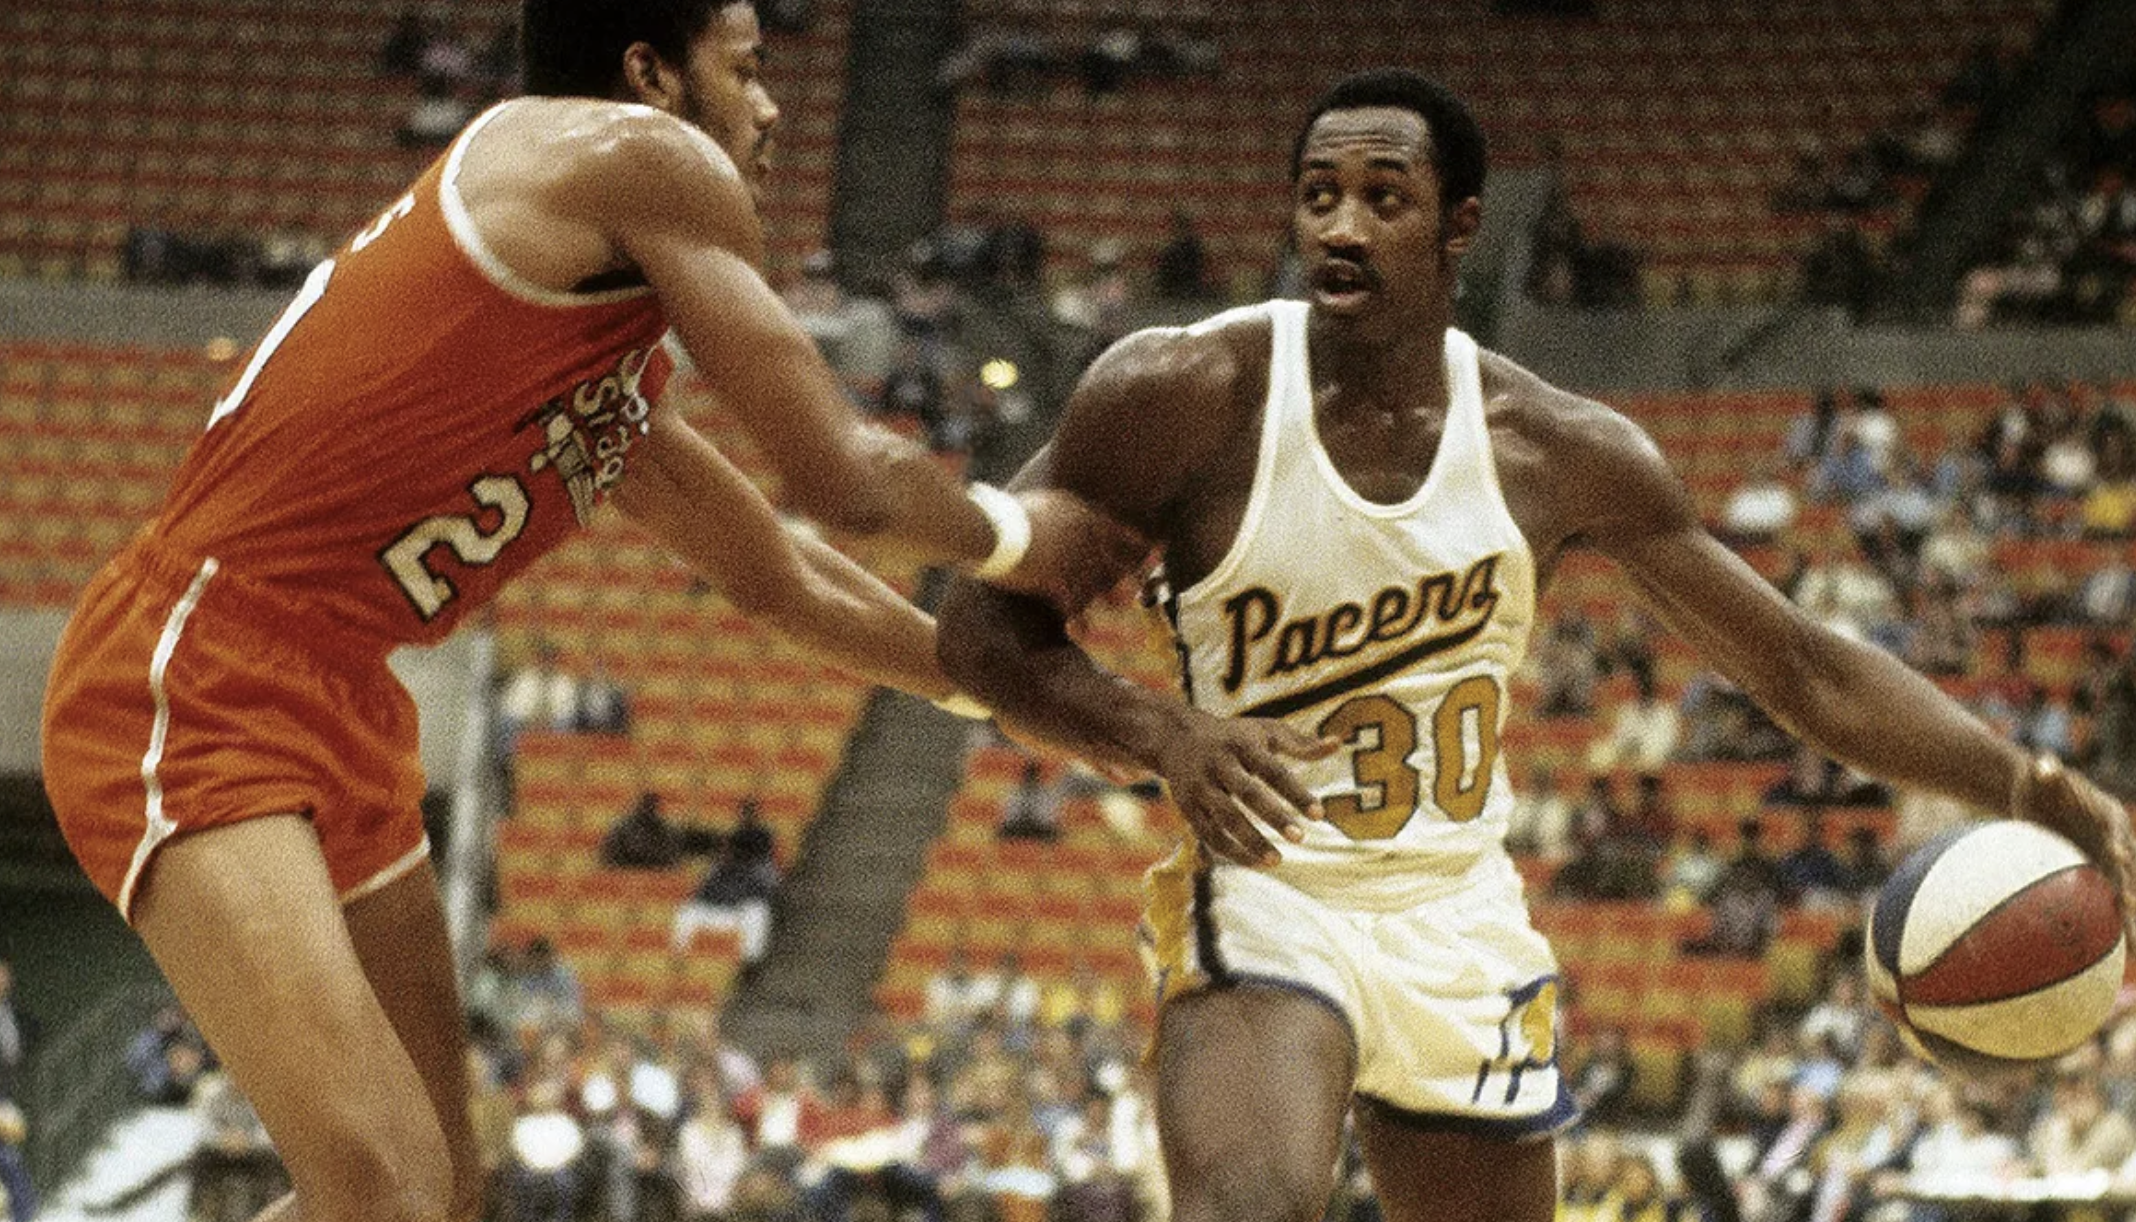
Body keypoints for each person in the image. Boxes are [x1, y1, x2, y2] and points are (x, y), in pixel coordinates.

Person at [935, 68, 2136, 1222]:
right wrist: (1163, 733)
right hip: (1272, 889)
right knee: (1248, 1205)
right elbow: (978, 625)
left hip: (1459, 912)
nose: (1342, 226)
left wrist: (2023, 781)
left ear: (1460, 226)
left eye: (1383, 197)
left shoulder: (1557, 448)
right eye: (1319, 195)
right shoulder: (1181, 392)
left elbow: (1802, 667)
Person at [36, 6, 1139, 1222]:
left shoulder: (586, 332)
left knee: (442, 1187)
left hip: (341, 686)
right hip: (198, 660)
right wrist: (1025, 537)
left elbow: (780, 575)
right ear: (648, 73)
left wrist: (1005, 692)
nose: (772, 109)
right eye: (748, 70)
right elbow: (844, 480)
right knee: (381, 1188)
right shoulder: (632, 155)